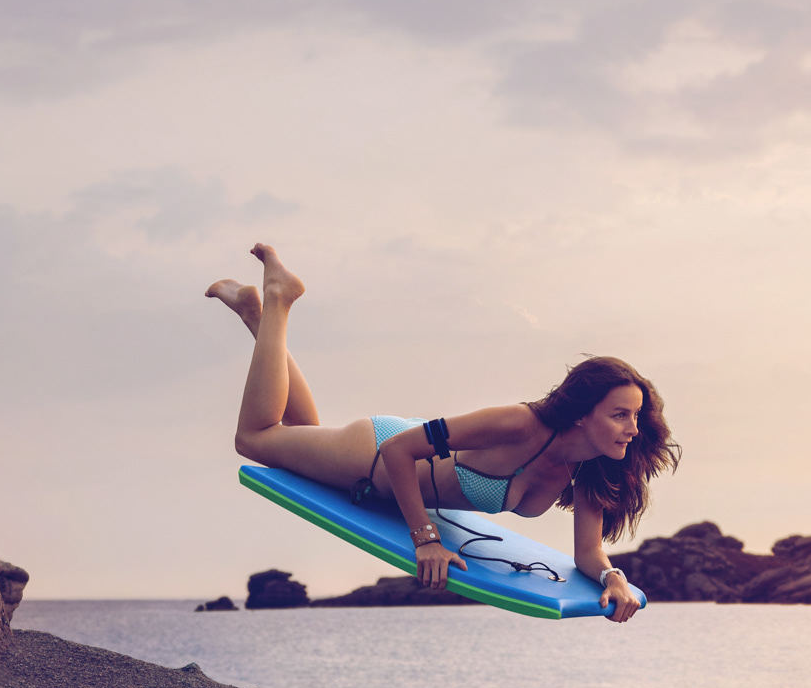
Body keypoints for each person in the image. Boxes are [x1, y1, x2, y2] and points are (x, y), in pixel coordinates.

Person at [208, 244, 675, 623]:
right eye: (619, 415)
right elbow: (398, 450)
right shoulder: (519, 423)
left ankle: (257, 314)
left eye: (635, 417)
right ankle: (278, 304)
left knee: (302, 435)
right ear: (581, 413)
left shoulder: (590, 470)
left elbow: (588, 551)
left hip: (393, 471)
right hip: (373, 453)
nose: (632, 429)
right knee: (256, 438)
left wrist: (612, 576)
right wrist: (426, 539)